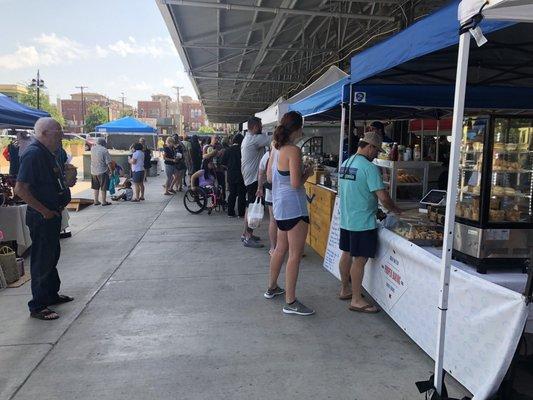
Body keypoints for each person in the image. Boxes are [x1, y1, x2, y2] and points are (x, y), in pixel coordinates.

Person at [14, 117, 74, 320]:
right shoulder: (33, 154)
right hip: (43, 217)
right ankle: (38, 305)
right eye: (58, 132)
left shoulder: (49, 154)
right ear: (45, 133)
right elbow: (20, 189)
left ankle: (50, 294)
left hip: (52, 213)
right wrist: (43, 211)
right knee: (41, 259)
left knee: (51, 255)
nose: (62, 136)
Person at [337, 131, 402, 313]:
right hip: (363, 222)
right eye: (376, 151)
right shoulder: (369, 167)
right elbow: (383, 196)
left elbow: (353, 192)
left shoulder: (346, 163)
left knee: (346, 254)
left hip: (346, 219)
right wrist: (395, 209)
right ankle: (357, 299)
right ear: (370, 146)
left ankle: (345, 289)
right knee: (360, 260)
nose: (377, 155)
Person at [265, 111, 314, 316]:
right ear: (297, 128)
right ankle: (291, 301)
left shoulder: (275, 148)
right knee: (294, 255)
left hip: (279, 205)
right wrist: (307, 173)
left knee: (279, 249)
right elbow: (295, 183)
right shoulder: (293, 150)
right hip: (294, 206)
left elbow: (269, 176)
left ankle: (272, 287)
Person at [241, 116, 271, 248]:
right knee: (253, 208)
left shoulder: (247, 138)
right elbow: (275, 138)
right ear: (254, 127)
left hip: (249, 177)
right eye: (260, 125)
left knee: (249, 207)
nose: (262, 127)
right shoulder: (254, 139)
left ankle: (245, 234)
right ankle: (248, 237)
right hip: (254, 178)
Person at [256, 149, 277, 255]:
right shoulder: (287, 152)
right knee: (287, 222)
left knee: (273, 221)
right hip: (286, 193)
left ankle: (273, 248)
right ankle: (289, 249)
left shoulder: (267, 155)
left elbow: (260, 173)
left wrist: (259, 188)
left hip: (271, 192)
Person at [221, 133, 246, 218]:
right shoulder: (243, 150)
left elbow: (223, 163)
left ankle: (230, 212)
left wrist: (229, 167)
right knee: (241, 194)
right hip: (241, 175)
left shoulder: (228, 150)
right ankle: (241, 213)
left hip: (231, 175)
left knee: (232, 194)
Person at [90, 137, 113, 206]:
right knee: (103, 187)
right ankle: (103, 201)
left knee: (95, 187)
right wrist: (111, 172)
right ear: (104, 143)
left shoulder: (92, 149)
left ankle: (96, 201)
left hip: (93, 171)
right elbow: (108, 162)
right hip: (102, 171)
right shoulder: (104, 150)